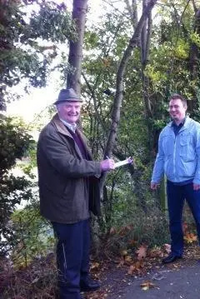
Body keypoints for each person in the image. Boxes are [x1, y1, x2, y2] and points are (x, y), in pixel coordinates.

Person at [37, 88, 115, 299]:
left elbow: (81, 161)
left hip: (80, 201)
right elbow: (69, 166)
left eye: (76, 106)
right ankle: (69, 292)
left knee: (81, 246)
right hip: (64, 204)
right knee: (69, 252)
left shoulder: (73, 129)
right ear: (58, 108)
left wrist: (97, 168)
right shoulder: (51, 134)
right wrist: (100, 165)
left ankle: (83, 280)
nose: (73, 110)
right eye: (68, 106)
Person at [150, 93, 200, 266]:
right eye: (171, 107)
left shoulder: (195, 128)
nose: (173, 109)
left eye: (176, 106)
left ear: (185, 108)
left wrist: (198, 179)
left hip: (192, 183)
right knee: (174, 220)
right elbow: (161, 157)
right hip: (173, 184)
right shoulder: (165, 132)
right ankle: (177, 251)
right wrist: (155, 178)